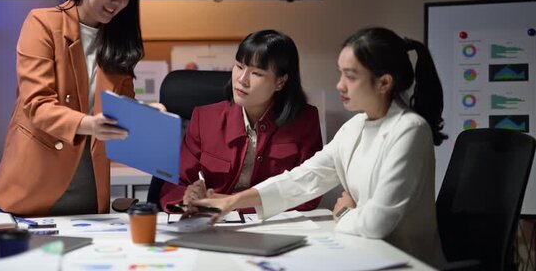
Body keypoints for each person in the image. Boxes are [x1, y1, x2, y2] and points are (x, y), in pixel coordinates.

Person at [192, 27, 448, 267]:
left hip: (404, 262)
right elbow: (304, 178)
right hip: (364, 254)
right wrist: (232, 201)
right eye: (340, 73)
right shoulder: (356, 125)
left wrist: (345, 210)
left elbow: (376, 224)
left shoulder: (410, 130)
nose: (339, 85)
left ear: (384, 83)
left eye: (351, 76)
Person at [0, 0, 145, 216]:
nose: (118, 2)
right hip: (33, 181)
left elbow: (121, 109)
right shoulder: (42, 23)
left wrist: (147, 115)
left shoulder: (119, 41)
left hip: (88, 183)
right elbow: (37, 104)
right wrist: (89, 123)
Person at [159, 30, 323, 213]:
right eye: (239, 66)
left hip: (273, 225)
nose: (242, 80)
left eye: (257, 73)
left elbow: (309, 194)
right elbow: (173, 186)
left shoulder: (305, 121)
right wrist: (188, 198)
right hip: (212, 224)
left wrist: (234, 203)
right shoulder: (203, 118)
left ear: (280, 82)